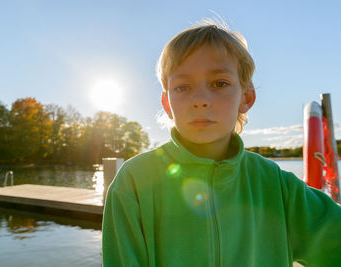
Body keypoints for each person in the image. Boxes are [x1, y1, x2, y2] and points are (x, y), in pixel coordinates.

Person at [102, 20, 341, 266]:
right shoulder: (133, 183)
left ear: (246, 96)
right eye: (182, 87)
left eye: (219, 83)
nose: (200, 100)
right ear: (167, 104)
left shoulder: (277, 186)